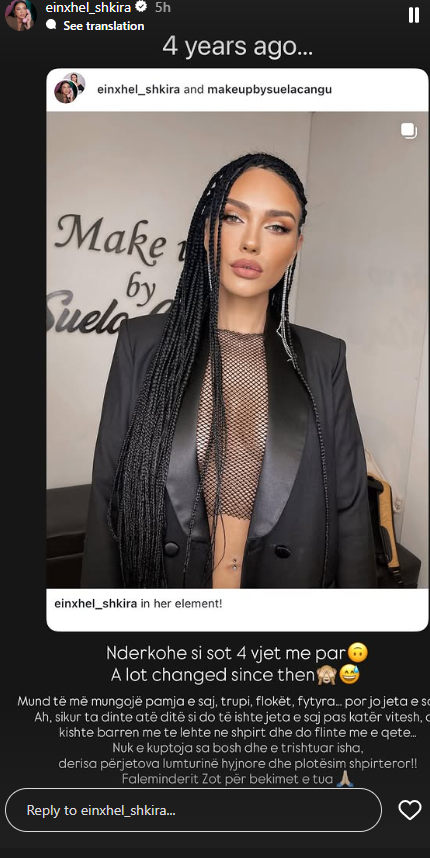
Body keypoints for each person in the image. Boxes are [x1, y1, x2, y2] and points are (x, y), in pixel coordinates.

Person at [81, 152, 376, 590]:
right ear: (207, 232)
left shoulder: (323, 357)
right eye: (233, 218)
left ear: (296, 245)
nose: (251, 242)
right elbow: (108, 494)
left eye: (277, 226)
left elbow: (350, 508)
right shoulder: (141, 343)